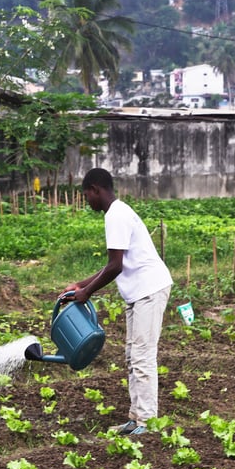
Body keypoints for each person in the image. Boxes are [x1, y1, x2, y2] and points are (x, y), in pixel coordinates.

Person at [65, 168, 173, 435]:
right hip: (138, 293)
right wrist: (81, 284)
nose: (86, 200)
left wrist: (86, 292)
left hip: (150, 289)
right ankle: (136, 418)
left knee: (143, 357)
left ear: (96, 190)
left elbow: (114, 267)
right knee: (131, 356)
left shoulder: (116, 215)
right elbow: (113, 264)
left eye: (86, 194)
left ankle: (147, 422)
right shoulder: (117, 213)